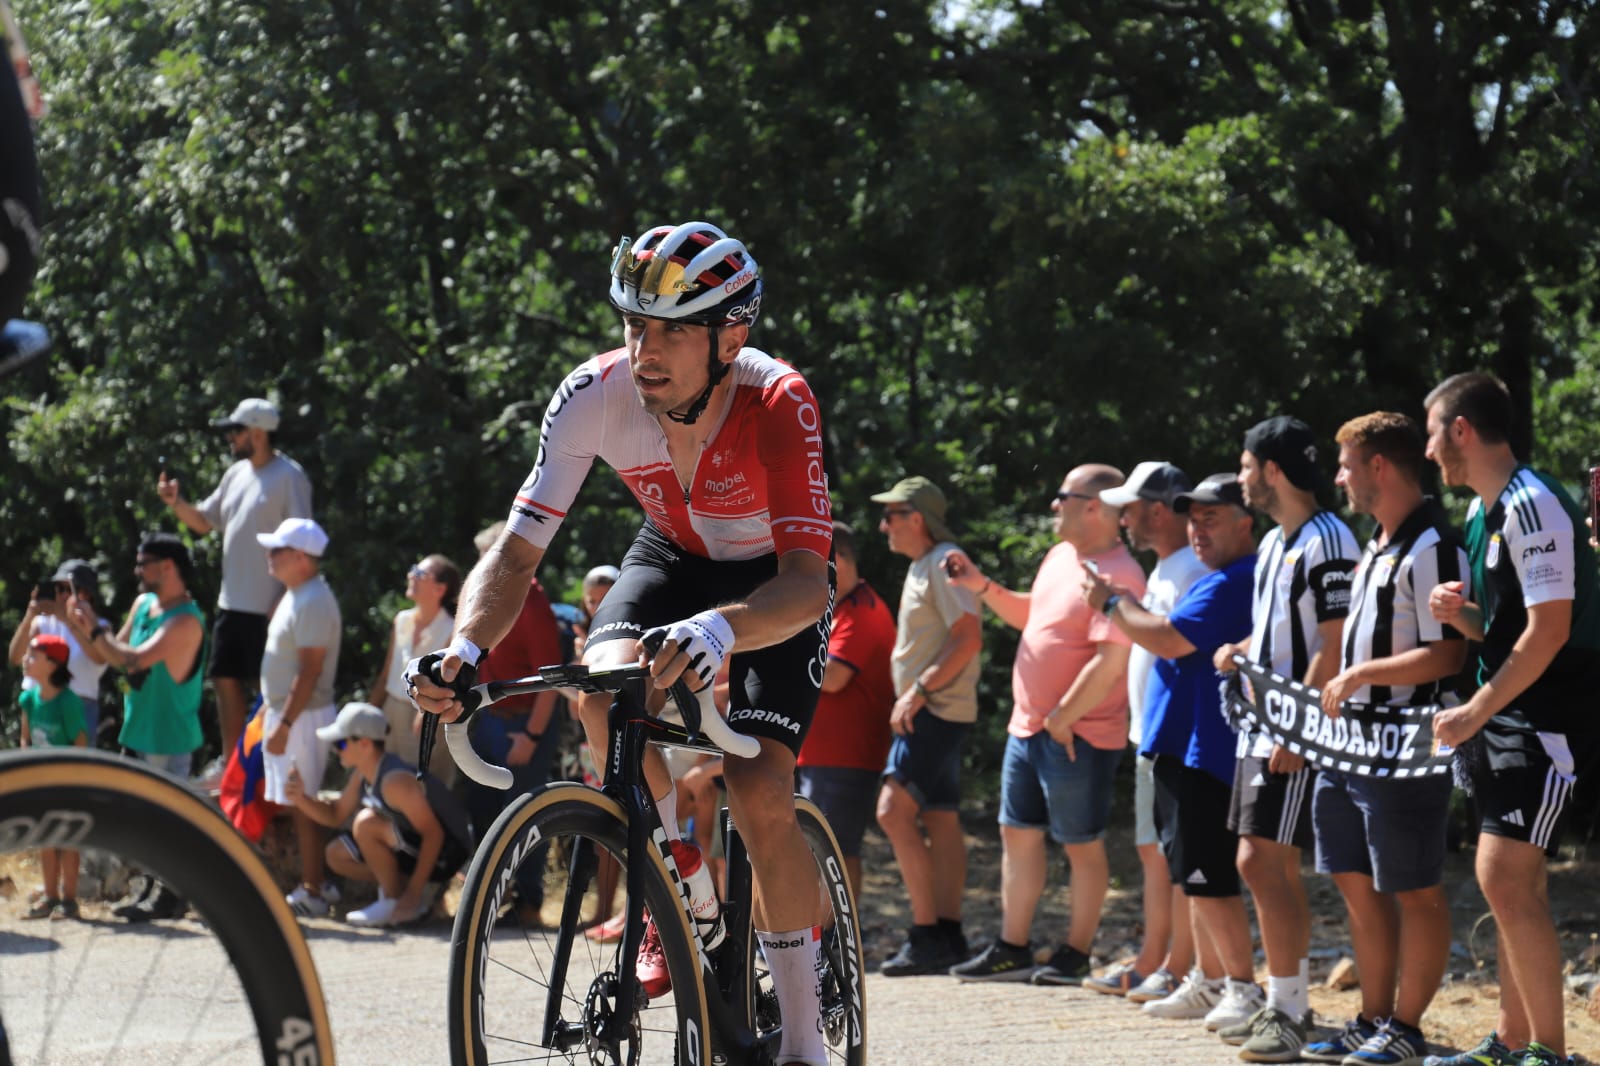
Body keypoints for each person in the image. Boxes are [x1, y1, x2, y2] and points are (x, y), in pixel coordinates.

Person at [408, 222, 836, 1066]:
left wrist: (724, 626)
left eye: (673, 329)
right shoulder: (591, 394)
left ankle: (802, 1037)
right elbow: (519, 552)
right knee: (601, 686)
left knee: (758, 793)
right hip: (671, 556)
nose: (645, 347)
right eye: (634, 324)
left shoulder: (778, 399)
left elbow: (807, 584)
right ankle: (687, 888)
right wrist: (463, 652)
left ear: (730, 337)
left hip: (767, 583)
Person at [1420, 373, 1600, 1066]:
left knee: (1501, 875)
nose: (1430, 450)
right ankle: (1513, 1041)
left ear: (1461, 430)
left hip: (1546, 715)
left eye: (1433, 432)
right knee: (1510, 881)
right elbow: (1506, 628)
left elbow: (1550, 633)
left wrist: (1472, 709)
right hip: (1509, 714)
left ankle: (1547, 1054)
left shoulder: (1533, 503)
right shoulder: (1483, 512)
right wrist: (1460, 615)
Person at [1295, 412, 1468, 1066]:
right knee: (1355, 882)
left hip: (1408, 746)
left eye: (1346, 465)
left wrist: (1361, 673)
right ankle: (1370, 1018)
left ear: (1378, 467)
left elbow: (1447, 657)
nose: (1338, 478)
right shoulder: (1376, 543)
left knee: (1414, 889)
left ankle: (1406, 1028)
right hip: (1349, 747)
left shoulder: (1434, 548)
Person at [943, 466, 1145, 985]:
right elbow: (1032, 615)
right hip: (1030, 728)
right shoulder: (1061, 557)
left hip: (1074, 735)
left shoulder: (1120, 574)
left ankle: (1075, 954)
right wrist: (981, 585)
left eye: (1063, 497)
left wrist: (1063, 718)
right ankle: (1013, 948)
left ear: (1095, 506)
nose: (1054, 506)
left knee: (1081, 844)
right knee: (1017, 833)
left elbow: (1110, 662)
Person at [1084, 474, 1262, 1032]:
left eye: (1212, 518)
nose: (1198, 530)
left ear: (1246, 522)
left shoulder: (1230, 579)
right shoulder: (1215, 574)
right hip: (1178, 744)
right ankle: (1210, 982)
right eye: (1194, 518)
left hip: (1203, 746)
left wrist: (1112, 601)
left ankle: (1242, 987)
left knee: (1209, 875)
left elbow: (1168, 637)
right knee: (1191, 872)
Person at [1212, 416, 1359, 1059]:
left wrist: (1300, 727)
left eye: (1245, 467)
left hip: (1297, 727)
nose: (1241, 478)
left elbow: (1336, 642)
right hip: (1263, 723)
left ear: (1272, 472)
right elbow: (1278, 630)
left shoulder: (1330, 540)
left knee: (1263, 860)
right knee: (1257, 860)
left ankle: (1289, 1009)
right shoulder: (1274, 543)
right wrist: (1239, 651)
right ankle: (1284, 1001)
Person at [1088, 461, 1207, 1001]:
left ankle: (1178, 967)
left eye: (1131, 508)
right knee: (1153, 853)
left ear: (1159, 510)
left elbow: (1169, 641)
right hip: (1152, 736)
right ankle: (1156, 961)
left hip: (1177, 739)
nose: (1124, 519)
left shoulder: (1190, 570)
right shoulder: (1164, 569)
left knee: (1173, 856)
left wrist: (1112, 604)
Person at [157, 396, 313, 765]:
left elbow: (304, 540)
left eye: (235, 430)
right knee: (224, 680)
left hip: (269, 610)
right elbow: (203, 522)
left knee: (270, 692)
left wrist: (285, 600)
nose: (230, 438)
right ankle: (233, 764)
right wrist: (175, 502)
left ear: (257, 433)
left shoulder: (290, 476)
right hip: (232, 605)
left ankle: (273, 766)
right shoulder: (235, 474)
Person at [62, 532, 206, 921]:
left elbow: (133, 659)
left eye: (143, 563)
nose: (137, 570)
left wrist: (94, 628)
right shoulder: (145, 604)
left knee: (166, 820)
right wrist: (79, 624)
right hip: (139, 730)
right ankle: (153, 889)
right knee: (144, 821)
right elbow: (106, 654)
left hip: (168, 736)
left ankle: (173, 895)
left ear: (167, 567)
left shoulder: (186, 622)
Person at [870, 475, 982, 977]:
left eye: (891, 515)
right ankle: (949, 934)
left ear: (916, 518)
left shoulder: (944, 561)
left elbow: (968, 636)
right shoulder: (925, 565)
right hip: (935, 710)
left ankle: (925, 936)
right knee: (940, 817)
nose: (883, 525)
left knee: (893, 811)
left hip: (933, 711)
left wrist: (919, 691)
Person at [460, 520, 567, 926]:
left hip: (525, 722)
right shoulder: (491, 596)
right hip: (493, 717)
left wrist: (532, 735)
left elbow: (548, 680)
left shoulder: (532, 601)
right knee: (485, 809)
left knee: (522, 814)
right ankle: (491, 898)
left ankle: (528, 902)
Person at [284, 702, 473, 927]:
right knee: (336, 854)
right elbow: (335, 815)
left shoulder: (395, 781)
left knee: (366, 824)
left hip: (448, 854)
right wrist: (300, 799)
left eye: (341, 743)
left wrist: (412, 896)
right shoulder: (363, 773)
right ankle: (400, 893)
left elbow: (434, 834)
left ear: (364, 743)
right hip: (423, 846)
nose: (337, 749)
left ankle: (398, 901)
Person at [795, 520, 896, 901]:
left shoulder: (863, 611)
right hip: (818, 753)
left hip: (845, 757)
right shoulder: (837, 609)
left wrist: (785, 660)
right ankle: (824, 937)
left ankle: (839, 938)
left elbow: (834, 677)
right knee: (815, 849)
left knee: (835, 850)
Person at [255, 518, 343, 920]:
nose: (269, 557)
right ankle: (316, 884)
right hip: (292, 715)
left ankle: (315, 889)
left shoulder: (313, 600)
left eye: (277, 550)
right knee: (298, 801)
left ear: (301, 558)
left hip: (303, 719)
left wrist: (285, 724)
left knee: (302, 801)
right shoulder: (299, 594)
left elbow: (309, 672)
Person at [368, 554, 460, 782]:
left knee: (420, 786)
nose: (411, 576)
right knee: (385, 778)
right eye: (413, 570)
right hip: (391, 711)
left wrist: (428, 716)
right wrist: (369, 713)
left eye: (420, 574)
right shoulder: (401, 620)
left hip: (423, 716)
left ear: (439, 589)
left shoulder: (453, 630)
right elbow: (387, 672)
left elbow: (449, 682)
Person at [16, 634, 88, 921]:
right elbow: (25, 738)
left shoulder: (68, 702)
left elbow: (80, 743)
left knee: (68, 840)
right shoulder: (28, 699)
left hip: (68, 781)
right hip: (41, 780)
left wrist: (67, 776)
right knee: (45, 838)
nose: (25, 660)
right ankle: (50, 898)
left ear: (53, 664)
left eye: (33, 656)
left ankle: (69, 901)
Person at [9, 558, 112, 745]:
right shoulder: (41, 622)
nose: (63, 595)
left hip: (80, 706)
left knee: (78, 771)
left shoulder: (99, 627)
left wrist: (69, 621)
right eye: (59, 588)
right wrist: (30, 614)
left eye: (70, 589)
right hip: (38, 705)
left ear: (87, 594)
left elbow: (100, 659)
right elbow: (15, 657)